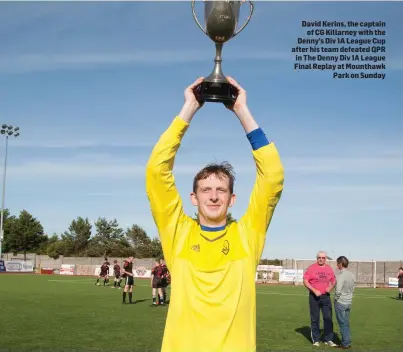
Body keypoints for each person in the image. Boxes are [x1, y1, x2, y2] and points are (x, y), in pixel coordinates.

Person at [145, 76, 284, 352]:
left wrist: (242, 111)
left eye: (221, 190)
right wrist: (189, 108)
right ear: (193, 198)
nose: (213, 196)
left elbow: (273, 177)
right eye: (206, 190)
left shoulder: (247, 235)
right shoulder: (178, 233)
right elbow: (156, 172)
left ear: (232, 199)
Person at [303, 251, 337, 347]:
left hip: (326, 297)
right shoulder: (311, 268)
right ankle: (316, 339)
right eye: (319, 257)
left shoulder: (329, 269)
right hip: (314, 297)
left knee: (328, 318)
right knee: (315, 319)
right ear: (316, 258)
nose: (321, 259)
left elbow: (334, 280)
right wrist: (314, 290)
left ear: (326, 259)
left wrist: (330, 288)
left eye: (323, 257)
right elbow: (305, 281)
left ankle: (329, 339)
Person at [334, 256, 355, 350]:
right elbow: (353, 288)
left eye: (337, 263)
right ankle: (347, 341)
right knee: (346, 323)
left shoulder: (342, 275)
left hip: (341, 302)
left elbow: (338, 290)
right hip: (348, 302)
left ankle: (345, 343)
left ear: (341, 264)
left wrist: (335, 299)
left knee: (342, 324)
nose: (337, 265)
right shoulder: (351, 274)